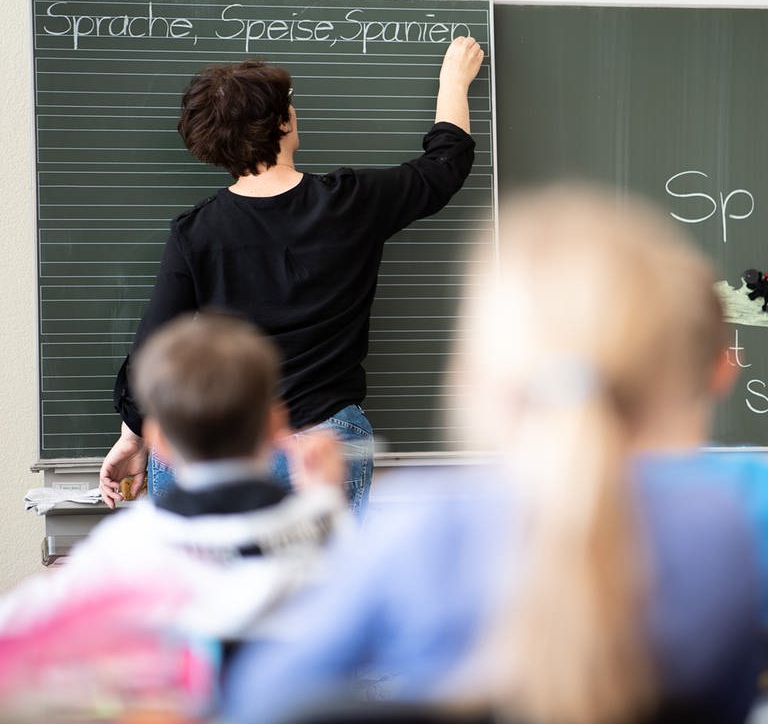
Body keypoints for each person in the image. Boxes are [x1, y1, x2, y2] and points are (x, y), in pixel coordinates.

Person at [222, 184, 763, 724]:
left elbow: (264, 702)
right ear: (668, 379)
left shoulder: (423, 527)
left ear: (473, 378)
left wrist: (324, 509)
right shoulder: (716, 532)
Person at [98, 36, 485, 514]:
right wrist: (453, 80)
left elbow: (152, 354)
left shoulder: (195, 232)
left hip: (212, 447)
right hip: (322, 444)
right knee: (324, 586)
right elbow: (442, 169)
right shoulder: (351, 203)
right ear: (283, 122)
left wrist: (132, 436)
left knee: (207, 588)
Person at [0, 312, 350, 719]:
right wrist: (325, 493)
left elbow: (17, 627)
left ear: (157, 440)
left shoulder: (128, 544)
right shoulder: (321, 527)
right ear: (275, 424)